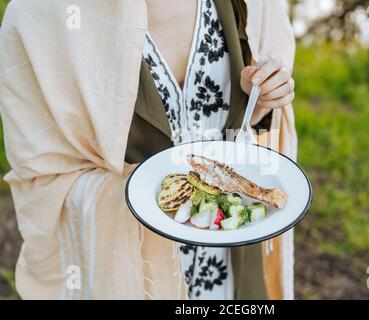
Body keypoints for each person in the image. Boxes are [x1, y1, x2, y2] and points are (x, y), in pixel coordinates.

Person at [0, 0, 297, 299]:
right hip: (132, 270)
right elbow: (44, 175)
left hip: (227, 252)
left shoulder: (256, 4)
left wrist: (260, 102)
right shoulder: (41, 14)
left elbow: (245, 124)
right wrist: (146, 192)